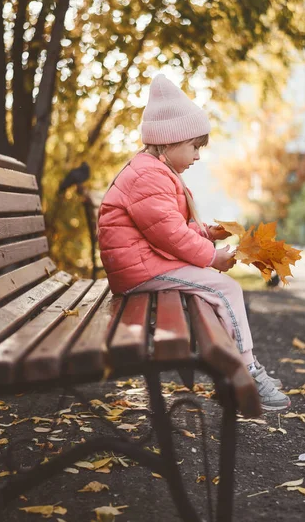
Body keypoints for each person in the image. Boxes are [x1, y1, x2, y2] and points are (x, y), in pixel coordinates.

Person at [98, 74, 290, 411]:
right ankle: (244, 370)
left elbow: (168, 228)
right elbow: (168, 235)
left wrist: (204, 234)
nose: (198, 156)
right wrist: (211, 257)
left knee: (218, 289)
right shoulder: (148, 175)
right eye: (194, 146)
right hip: (140, 270)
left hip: (143, 263)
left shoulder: (154, 171)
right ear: (169, 142)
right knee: (225, 289)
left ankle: (234, 370)